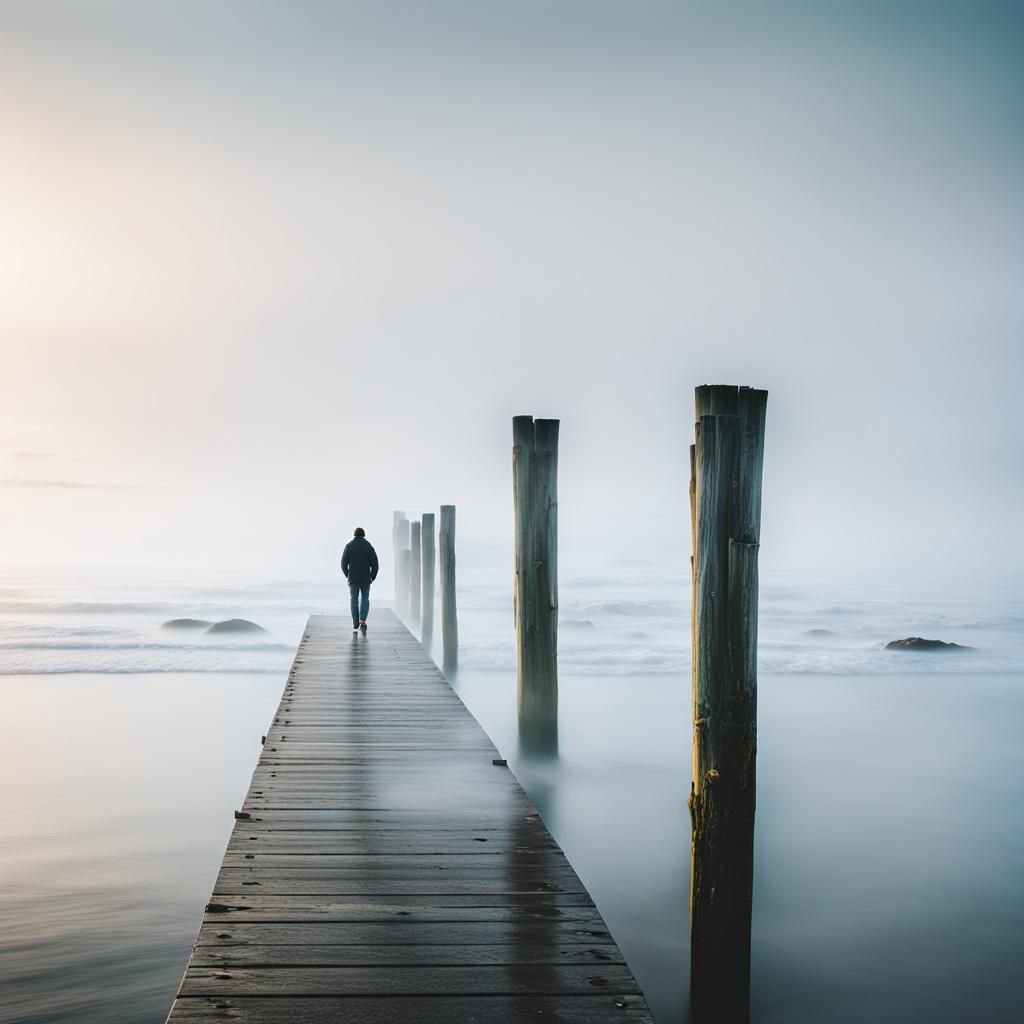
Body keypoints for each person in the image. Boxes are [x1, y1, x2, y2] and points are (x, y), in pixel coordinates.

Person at [340, 527, 379, 634]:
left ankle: (355, 623)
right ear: (364, 535)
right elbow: (375, 563)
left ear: (354, 535)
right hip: (366, 578)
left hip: (353, 578)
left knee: (354, 600)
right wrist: (372, 576)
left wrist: (347, 574)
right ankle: (362, 619)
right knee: (365, 598)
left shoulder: (349, 546)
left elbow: (343, 564)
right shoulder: (369, 546)